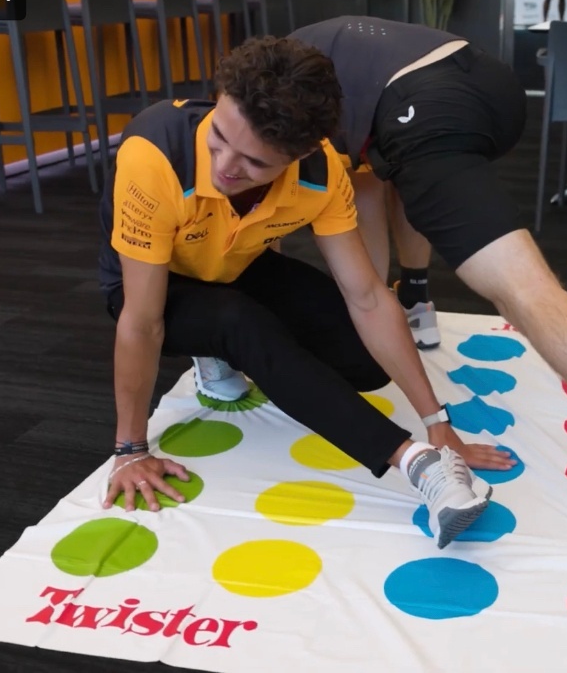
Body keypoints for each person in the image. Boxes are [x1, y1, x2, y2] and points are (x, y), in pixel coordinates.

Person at [202, 15, 567, 555]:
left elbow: (298, 240)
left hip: (419, 105)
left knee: (524, 290)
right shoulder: (296, 73)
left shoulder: (281, 108)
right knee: (403, 173)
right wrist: (376, 304)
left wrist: (429, 413)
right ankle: (417, 300)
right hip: (488, 85)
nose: (229, 163)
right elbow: (361, 201)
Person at [96, 35, 512, 550]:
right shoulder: (154, 155)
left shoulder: (322, 172)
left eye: (253, 162)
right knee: (241, 324)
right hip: (152, 285)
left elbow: (367, 296)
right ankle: (420, 467)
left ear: (299, 156)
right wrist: (130, 450)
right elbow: (142, 322)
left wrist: (437, 421)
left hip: (236, 265)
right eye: (218, 137)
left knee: (366, 364)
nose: (224, 166)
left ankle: (233, 349)